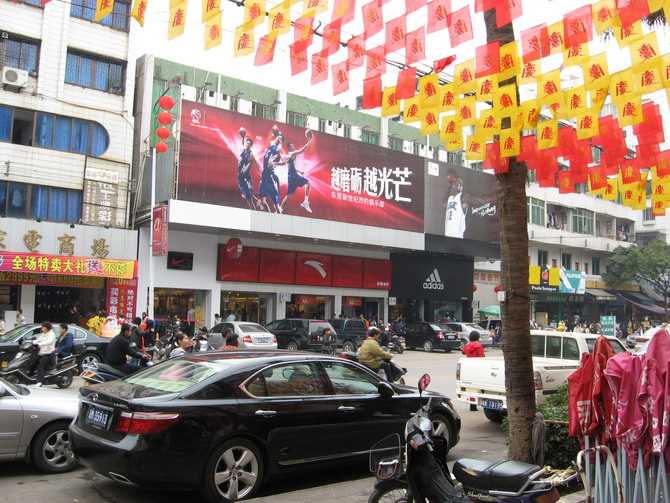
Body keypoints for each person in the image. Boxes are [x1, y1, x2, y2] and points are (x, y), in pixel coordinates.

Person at [277, 132, 313, 213]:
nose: (293, 147)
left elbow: (291, 166)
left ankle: (280, 209)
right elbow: (303, 149)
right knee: (308, 183)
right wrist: (309, 141)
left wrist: (300, 171)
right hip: (293, 176)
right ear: (288, 148)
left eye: (293, 146)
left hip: (291, 176)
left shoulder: (287, 155)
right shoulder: (292, 153)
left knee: (289, 195)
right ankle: (306, 201)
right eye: (291, 146)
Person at [258, 131, 284, 213]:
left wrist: (274, 163)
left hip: (271, 175)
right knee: (262, 201)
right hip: (264, 175)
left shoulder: (278, 148)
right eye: (278, 137)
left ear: (281, 142)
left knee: (276, 203)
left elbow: (284, 161)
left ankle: (279, 216)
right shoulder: (270, 148)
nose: (279, 138)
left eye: (281, 139)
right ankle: (269, 215)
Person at [462, 331, 485, 410]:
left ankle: (472, 406)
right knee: (479, 386)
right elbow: (481, 358)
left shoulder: (467, 345)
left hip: (469, 367)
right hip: (477, 367)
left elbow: (463, 352)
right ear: (477, 338)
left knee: (471, 387)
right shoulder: (479, 346)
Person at [30, 322, 56, 387]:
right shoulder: (43, 334)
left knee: (40, 366)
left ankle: (39, 382)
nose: (42, 328)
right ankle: (30, 377)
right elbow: (38, 340)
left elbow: (48, 342)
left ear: (47, 328)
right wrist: (31, 343)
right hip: (41, 353)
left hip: (48, 354)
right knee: (33, 364)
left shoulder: (51, 334)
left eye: (43, 327)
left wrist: (39, 344)